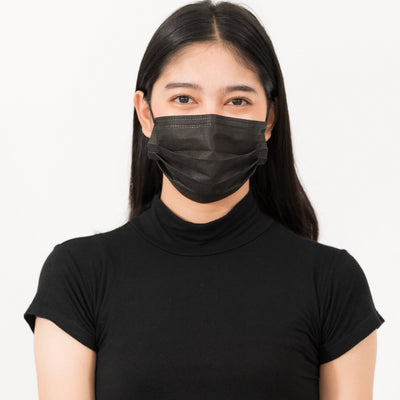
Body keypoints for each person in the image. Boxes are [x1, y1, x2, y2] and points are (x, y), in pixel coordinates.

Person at [23, 1, 385, 398]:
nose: (210, 123)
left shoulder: (332, 283)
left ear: (269, 120)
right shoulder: (79, 277)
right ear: (146, 113)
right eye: (184, 99)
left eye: (237, 101)